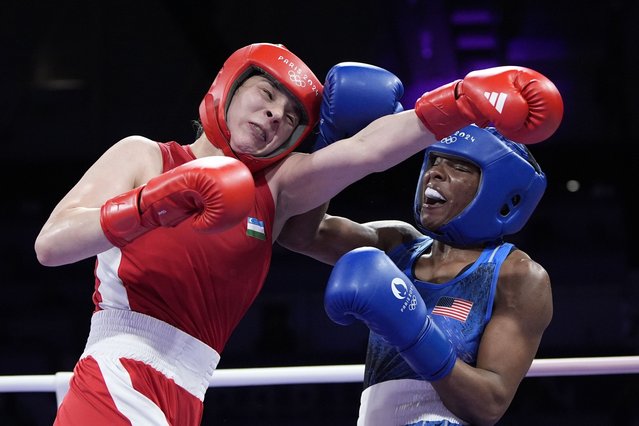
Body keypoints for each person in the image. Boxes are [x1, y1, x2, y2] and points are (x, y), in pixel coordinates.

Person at [34, 39, 563, 424]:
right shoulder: (145, 157)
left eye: (290, 117)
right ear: (229, 86)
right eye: (264, 95)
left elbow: (368, 151)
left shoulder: (277, 193)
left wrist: (461, 100)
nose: (272, 116)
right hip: (115, 371)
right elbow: (51, 245)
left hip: (189, 393)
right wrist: (152, 203)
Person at [278, 124, 556, 425]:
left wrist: (415, 333)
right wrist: (332, 141)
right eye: (434, 160)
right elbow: (298, 233)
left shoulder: (517, 275)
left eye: (459, 166)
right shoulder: (396, 244)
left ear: (500, 192)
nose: (434, 173)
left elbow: (489, 404)